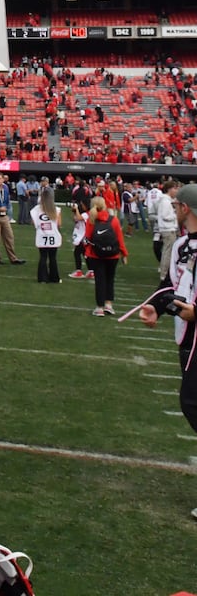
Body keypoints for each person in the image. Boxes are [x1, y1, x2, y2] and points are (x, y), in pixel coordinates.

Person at [137, 183, 197, 521]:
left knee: (191, 402)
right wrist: (156, 308)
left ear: (185, 209)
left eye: (176, 206)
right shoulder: (181, 246)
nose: (173, 210)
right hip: (186, 335)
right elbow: (173, 286)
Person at [80, 195, 127, 316]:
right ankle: (108, 304)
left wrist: (87, 251)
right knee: (110, 279)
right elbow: (119, 238)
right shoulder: (114, 220)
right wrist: (124, 253)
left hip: (96, 255)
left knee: (100, 280)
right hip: (113, 255)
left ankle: (99, 307)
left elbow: (88, 238)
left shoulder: (91, 220)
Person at [0, 174, 24, 265]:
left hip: (5, 216)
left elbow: (7, 201)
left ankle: (13, 258)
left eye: (0, 178)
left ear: (3, 179)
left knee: (9, 237)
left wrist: (6, 207)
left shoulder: (5, 189)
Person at [30, 185, 63, 284]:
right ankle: (54, 278)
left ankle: (42, 278)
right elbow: (59, 224)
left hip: (42, 235)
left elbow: (33, 223)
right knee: (53, 258)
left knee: (43, 257)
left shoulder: (36, 209)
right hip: (53, 236)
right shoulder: (56, 210)